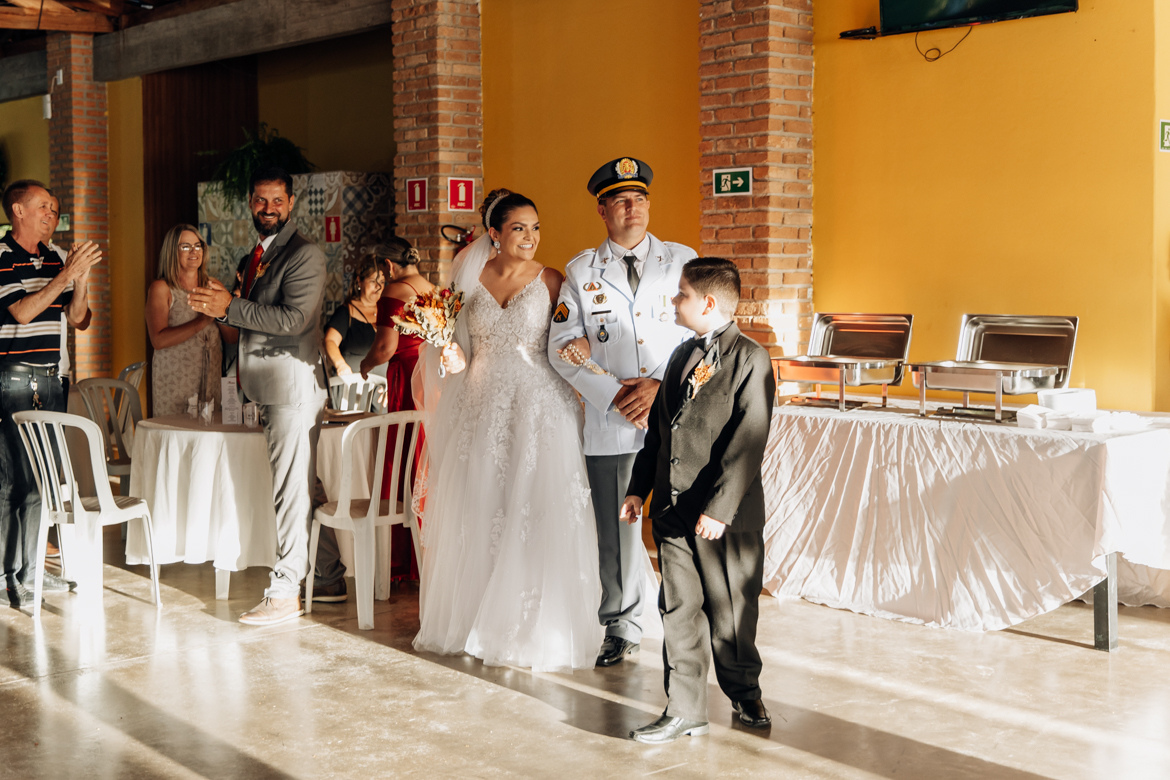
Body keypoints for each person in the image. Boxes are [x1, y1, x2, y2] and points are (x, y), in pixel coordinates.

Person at [412, 189, 603, 672]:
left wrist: (584, 348)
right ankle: (477, 619)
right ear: (494, 234)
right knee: (484, 508)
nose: (531, 237)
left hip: (541, 407)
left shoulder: (552, 280)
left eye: (536, 228)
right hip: (480, 406)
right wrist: (451, 355)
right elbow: (455, 348)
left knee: (535, 508)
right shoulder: (466, 280)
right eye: (519, 228)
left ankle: (535, 625)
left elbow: (575, 337)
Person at [548, 157, 697, 667]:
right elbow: (562, 346)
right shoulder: (580, 271)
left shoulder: (682, 261)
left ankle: (685, 619)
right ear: (602, 210)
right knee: (617, 530)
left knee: (680, 521)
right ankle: (620, 624)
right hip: (612, 419)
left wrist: (658, 386)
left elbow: (702, 335)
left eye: (640, 199)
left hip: (672, 412)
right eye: (621, 201)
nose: (632, 208)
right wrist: (614, 394)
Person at [621, 258, 775, 744]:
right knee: (678, 611)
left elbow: (748, 441)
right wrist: (637, 489)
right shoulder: (680, 354)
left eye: (681, 293)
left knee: (731, 616)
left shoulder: (752, 359)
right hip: (672, 511)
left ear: (707, 303)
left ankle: (744, 690)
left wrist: (719, 509)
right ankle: (685, 709)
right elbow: (659, 433)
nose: (674, 300)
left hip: (724, 517)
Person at [188, 167, 327, 626]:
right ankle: (329, 575)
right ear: (251, 203)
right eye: (261, 201)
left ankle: (285, 592)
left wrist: (231, 305)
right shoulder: (254, 257)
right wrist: (218, 308)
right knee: (303, 485)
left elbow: (293, 320)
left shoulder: (304, 254)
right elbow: (245, 323)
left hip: (291, 387)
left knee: (291, 492)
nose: (269, 209)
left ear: (291, 204)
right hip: (264, 387)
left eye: (277, 201)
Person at [0, 179, 101, 607]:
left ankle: (32, 570)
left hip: (50, 379)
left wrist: (82, 280)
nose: (52, 214)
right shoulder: (2, 255)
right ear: (18, 210)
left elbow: (79, 319)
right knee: (14, 481)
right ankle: (6, 576)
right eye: (43, 206)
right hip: (13, 379)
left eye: (55, 209)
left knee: (43, 479)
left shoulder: (56, 257)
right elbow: (23, 312)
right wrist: (66, 275)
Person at [146, 224, 232, 416]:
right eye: (185, 246)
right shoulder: (162, 288)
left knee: (210, 431)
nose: (194, 251)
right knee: (177, 432)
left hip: (211, 380)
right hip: (175, 382)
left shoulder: (213, 285)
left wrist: (223, 313)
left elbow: (232, 338)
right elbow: (158, 340)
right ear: (172, 252)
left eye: (198, 245)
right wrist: (202, 322)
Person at [323, 255, 385, 378]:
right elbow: (330, 341)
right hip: (353, 384)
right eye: (373, 281)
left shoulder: (388, 311)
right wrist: (340, 364)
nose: (378, 286)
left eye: (382, 282)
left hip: (384, 386)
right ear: (359, 281)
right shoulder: (346, 311)